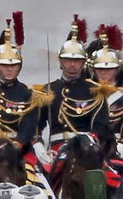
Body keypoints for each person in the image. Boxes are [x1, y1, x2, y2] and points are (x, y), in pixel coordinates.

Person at [39, 15, 112, 170]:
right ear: (60, 61)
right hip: (56, 151)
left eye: (77, 61)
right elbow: (35, 127)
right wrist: (40, 149)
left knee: (110, 180)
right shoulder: (48, 90)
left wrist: (88, 141)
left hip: (87, 150)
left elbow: (102, 127)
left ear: (84, 62)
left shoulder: (95, 91)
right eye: (67, 60)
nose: (72, 65)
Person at [0, 13, 43, 165]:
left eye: (13, 65)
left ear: (19, 66)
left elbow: (29, 126)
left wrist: (18, 143)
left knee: (42, 175)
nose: (9, 69)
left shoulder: (28, 94)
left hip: (19, 148)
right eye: (5, 65)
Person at [89, 24, 123, 151]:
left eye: (108, 69)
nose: (103, 73)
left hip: (115, 152)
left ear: (117, 70)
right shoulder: (83, 96)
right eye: (100, 69)